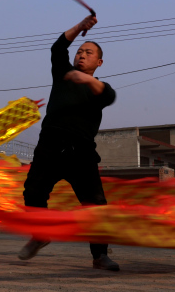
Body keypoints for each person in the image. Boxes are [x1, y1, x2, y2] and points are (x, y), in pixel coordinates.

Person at [18, 15, 120, 271]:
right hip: (50, 145)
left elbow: (109, 95)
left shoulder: (98, 87)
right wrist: (80, 27)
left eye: (88, 52)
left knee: (95, 205)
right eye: (80, 51)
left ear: (99, 62)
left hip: (81, 151)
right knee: (33, 192)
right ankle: (41, 234)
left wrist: (87, 79)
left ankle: (100, 256)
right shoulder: (63, 74)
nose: (82, 55)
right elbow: (57, 48)